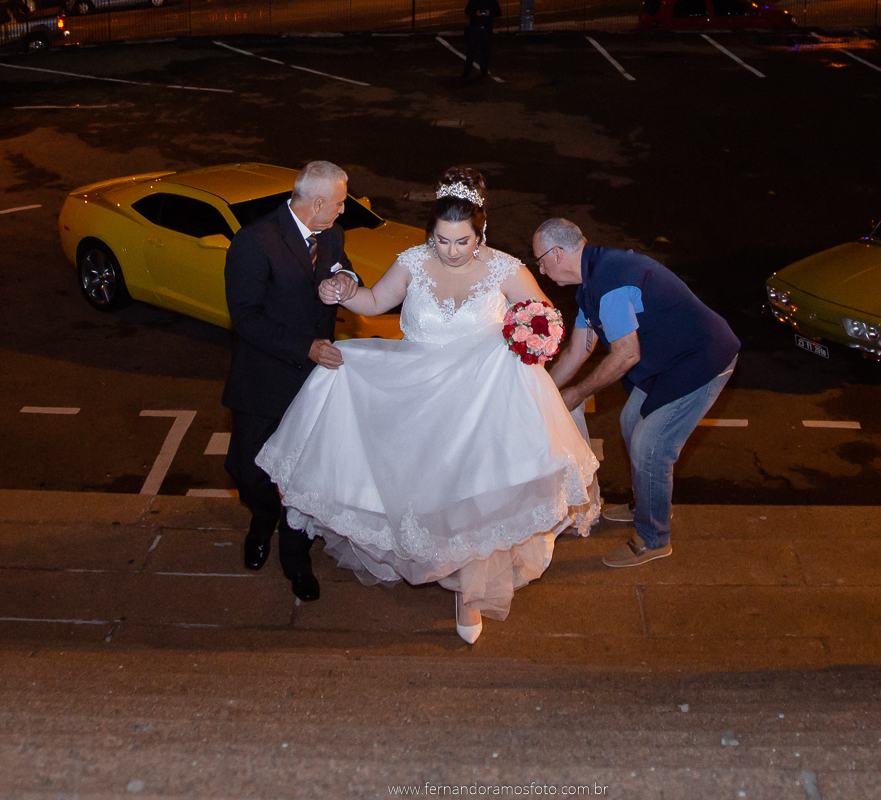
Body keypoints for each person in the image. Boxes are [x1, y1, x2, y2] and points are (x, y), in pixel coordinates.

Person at [256, 167, 599, 644]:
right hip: (417, 399)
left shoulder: (506, 269)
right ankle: (440, 564)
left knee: (474, 500)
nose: (452, 251)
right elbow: (375, 301)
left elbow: (546, 318)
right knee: (428, 496)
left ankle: (468, 593)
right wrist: (347, 290)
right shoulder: (413, 262)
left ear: (481, 235)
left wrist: (534, 339)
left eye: (462, 242)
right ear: (430, 234)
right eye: (442, 240)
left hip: (482, 407)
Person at [533, 218, 739, 569]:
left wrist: (577, 393)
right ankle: (646, 501)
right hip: (671, 360)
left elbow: (627, 355)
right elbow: (578, 351)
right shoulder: (592, 279)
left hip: (703, 359)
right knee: (630, 421)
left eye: (539, 260)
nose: (539, 269)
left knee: (651, 447)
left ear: (556, 254)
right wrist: (545, 393)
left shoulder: (609, 282)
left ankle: (653, 539)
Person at [221, 160, 360, 603]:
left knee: (305, 476)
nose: (342, 211)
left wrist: (345, 279)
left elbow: (349, 272)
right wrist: (306, 346)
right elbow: (245, 317)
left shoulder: (332, 234)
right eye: (339, 203)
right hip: (262, 380)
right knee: (249, 473)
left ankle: (296, 560)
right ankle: (263, 520)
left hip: (313, 386)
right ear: (317, 203)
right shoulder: (253, 242)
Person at [462, 0, 501, 79]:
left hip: (486, 28)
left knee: (485, 51)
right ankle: (467, 71)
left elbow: (498, 12)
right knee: (471, 51)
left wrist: (490, 12)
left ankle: (484, 71)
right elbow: (467, 10)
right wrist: (475, 12)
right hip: (475, 28)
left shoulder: (492, 1)